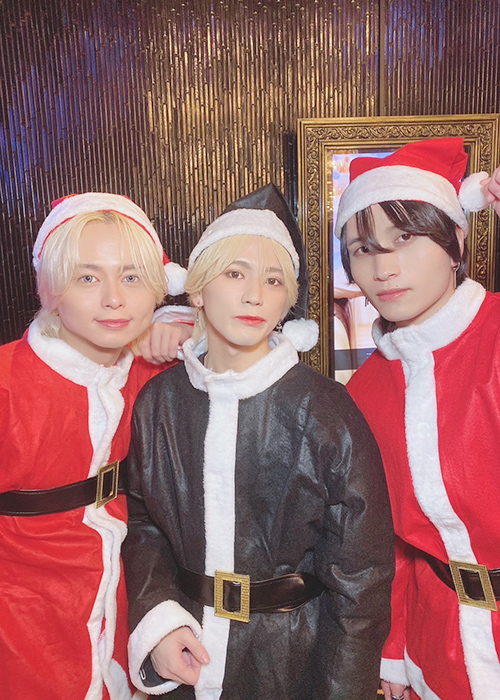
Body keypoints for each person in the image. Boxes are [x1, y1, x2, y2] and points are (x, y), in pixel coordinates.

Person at [122, 183, 394, 700]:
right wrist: (157, 618)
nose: (255, 295)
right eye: (235, 273)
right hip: (187, 650)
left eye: (274, 280)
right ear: (197, 291)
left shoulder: (326, 409)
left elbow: (361, 577)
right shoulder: (159, 403)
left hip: (292, 663)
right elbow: (144, 523)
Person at [0, 192, 193, 700]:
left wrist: (185, 329)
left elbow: (250, 345)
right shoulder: (6, 383)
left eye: (132, 278)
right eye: (88, 278)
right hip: (22, 620)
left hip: (124, 600)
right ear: (51, 289)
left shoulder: (152, 373)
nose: (114, 299)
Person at [335, 137, 500, 700]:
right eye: (363, 248)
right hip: (439, 652)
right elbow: (392, 544)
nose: (384, 268)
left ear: (455, 239)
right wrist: (393, 654)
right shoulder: (364, 390)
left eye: (405, 236)